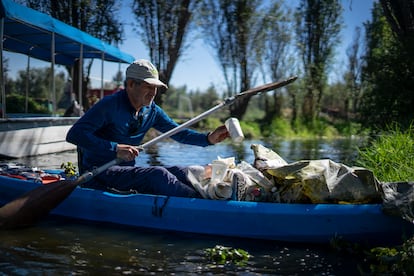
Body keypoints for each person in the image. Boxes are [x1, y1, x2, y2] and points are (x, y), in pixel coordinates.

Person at [66, 59, 230, 198]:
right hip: (99, 173)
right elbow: (75, 134)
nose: (153, 93)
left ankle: (220, 192)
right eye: (148, 86)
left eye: (155, 87)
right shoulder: (108, 106)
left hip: (126, 171)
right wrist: (114, 149)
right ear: (130, 84)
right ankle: (203, 204)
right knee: (158, 175)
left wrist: (208, 138)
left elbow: (178, 133)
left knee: (185, 171)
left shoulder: (152, 111)